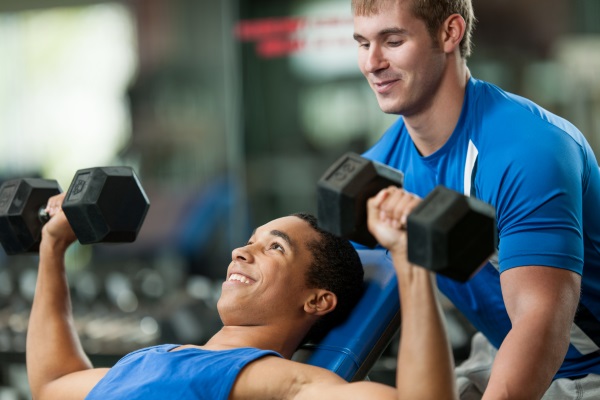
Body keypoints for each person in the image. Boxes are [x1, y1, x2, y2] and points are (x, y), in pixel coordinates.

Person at [351, 0, 600, 398]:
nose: (372, 62)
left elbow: (542, 325)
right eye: (363, 44)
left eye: (393, 41)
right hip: (496, 348)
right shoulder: (381, 166)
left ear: (450, 33)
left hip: (586, 370)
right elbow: (337, 280)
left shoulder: (529, 150)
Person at [27, 190, 457, 400]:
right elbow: (53, 384)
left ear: (317, 300)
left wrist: (410, 259)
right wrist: (53, 246)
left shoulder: (278, 382)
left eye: (274, 247)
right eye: (249, 240)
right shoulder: (150, 359)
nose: (240, 251)